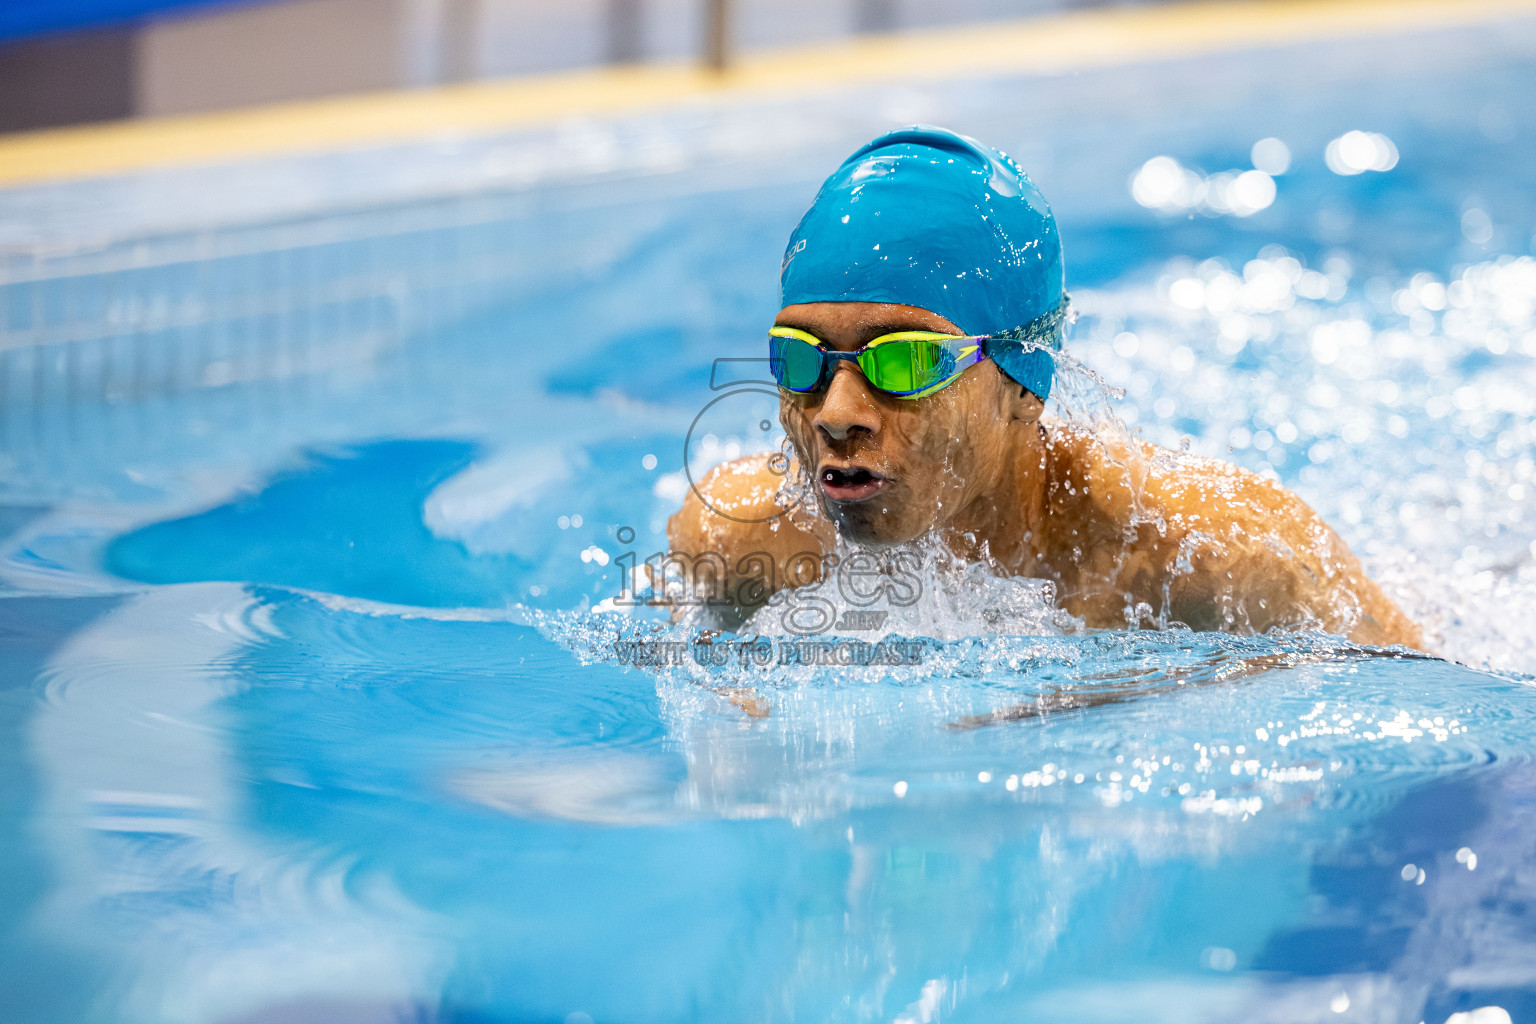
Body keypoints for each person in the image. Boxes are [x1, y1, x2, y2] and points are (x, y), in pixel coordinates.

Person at [667, 126, 1423, 650]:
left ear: (1023, 383)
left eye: (901, 361)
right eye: (800, 358)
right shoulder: (738, 544)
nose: (836, 414)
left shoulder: (1216, 557)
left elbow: (1426, 709)